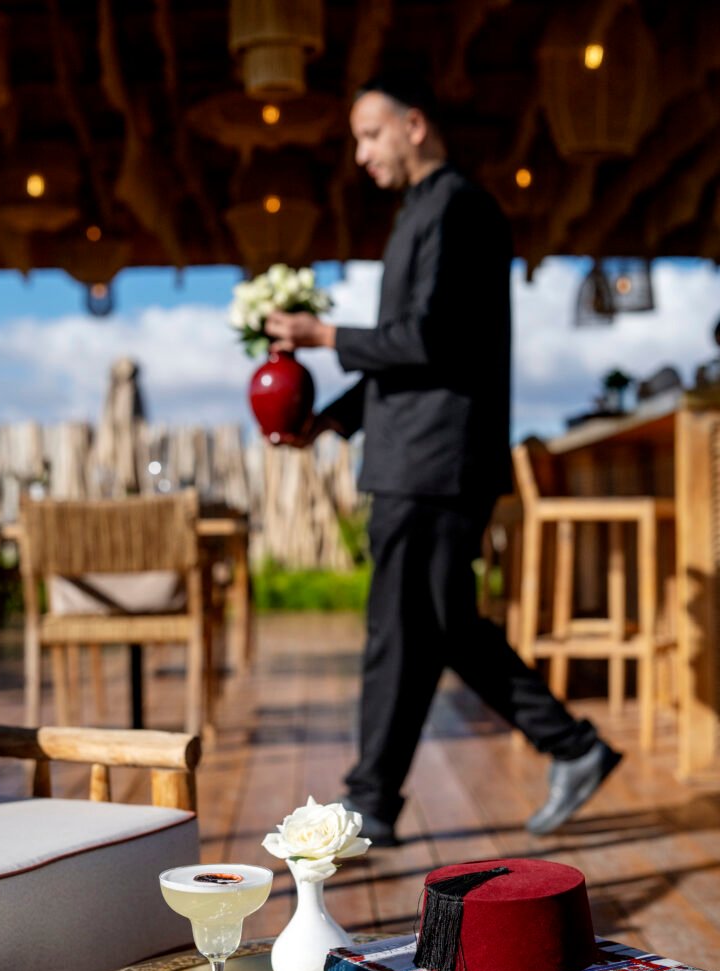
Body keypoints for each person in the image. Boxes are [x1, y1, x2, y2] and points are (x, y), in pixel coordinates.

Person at [264, 73, 621, 846]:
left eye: (369, 134)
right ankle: (563, 748)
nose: (360, 154)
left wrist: (323, 338)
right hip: (417, 451)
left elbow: (430, 343)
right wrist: (330, 419)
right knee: (440, 624)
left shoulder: (457, 208)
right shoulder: (423, 213)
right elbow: (407, 355)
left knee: (402, 628)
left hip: (431, 460)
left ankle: (372, 803)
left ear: (414, 125)